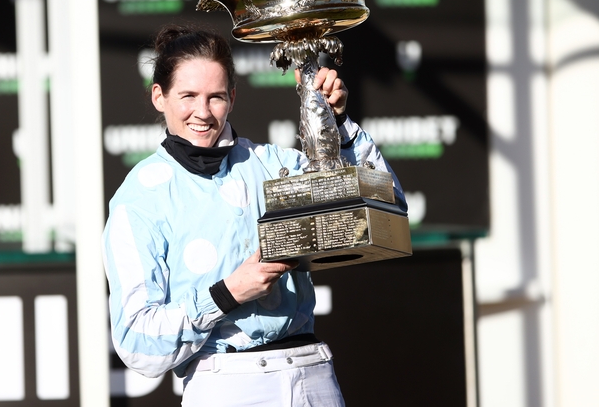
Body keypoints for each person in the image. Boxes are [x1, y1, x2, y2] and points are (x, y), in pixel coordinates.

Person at [102, 24, 406, 406]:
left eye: (215, 97)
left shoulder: (272, 164)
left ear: (232, 96)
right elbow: (138, 346)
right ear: (158, 97)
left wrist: (338, 126)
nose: (202, 112)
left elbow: (387, 211)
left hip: (312, 374)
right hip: (225, 385)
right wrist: (226, 294)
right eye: (188, 96)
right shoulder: (138, 198)